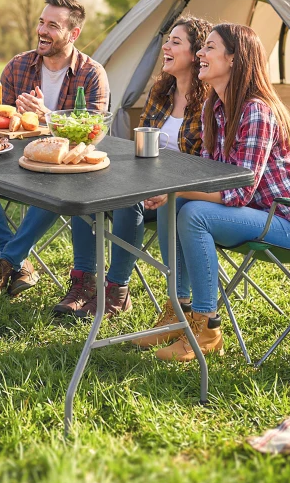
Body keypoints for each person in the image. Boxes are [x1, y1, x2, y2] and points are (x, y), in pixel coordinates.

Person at [137, 23, 290, 361]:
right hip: (252, 215)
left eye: (209, 48)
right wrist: (171, 194)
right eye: (202, 48)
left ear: (233, 59)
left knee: (191, 211)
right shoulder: (215, 108)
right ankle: (179, 312)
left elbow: (238, 194)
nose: (201, 55)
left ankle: (207, 327)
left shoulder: (256, 110)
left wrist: (176, 192)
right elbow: (210, 176)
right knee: (171, 206)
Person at [0, 0, 110, 300]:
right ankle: (18, 262)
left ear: (73, 34)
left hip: (65, 170)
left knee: (53, 184)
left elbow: (91, 136)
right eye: (41, 22)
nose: (42, 30)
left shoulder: (92, 74)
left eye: (53, 25)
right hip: (15, 162)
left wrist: (49, 117)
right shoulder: (18, 66)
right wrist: (12, 116)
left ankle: (4, 264)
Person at [64, 16, 213, 320]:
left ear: (196, 53)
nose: (166, 46)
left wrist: (162, 189)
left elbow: (205, 166)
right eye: (167, 39)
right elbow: (142, 147)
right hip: (147, 181)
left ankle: (118, 290)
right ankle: (83, 282)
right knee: (86, 187)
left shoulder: (211, 103)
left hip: (181, 193)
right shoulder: (160, 93)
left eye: (176, 42)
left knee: (127, 200)